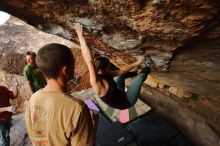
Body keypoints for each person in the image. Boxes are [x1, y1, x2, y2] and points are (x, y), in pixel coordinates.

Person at [25, 43, 97, 146]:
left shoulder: (33, 99)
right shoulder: (77, 108)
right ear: (65, 70)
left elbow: (38, 137)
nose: (74, 66)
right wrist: (94, 123)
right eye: (73, 63)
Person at [74, 23, 151, 110]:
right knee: (140, 77)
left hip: (118, 92)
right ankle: (149, 65)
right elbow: (89, 61)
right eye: (108, 68)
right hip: (126, 101)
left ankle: (136, 73)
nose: (110, 69)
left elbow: (121, 71)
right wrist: (81, 36)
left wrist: (136, 65)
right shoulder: (96, 83)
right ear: (102, 70)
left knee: (121, 75)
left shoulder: (104, 74)